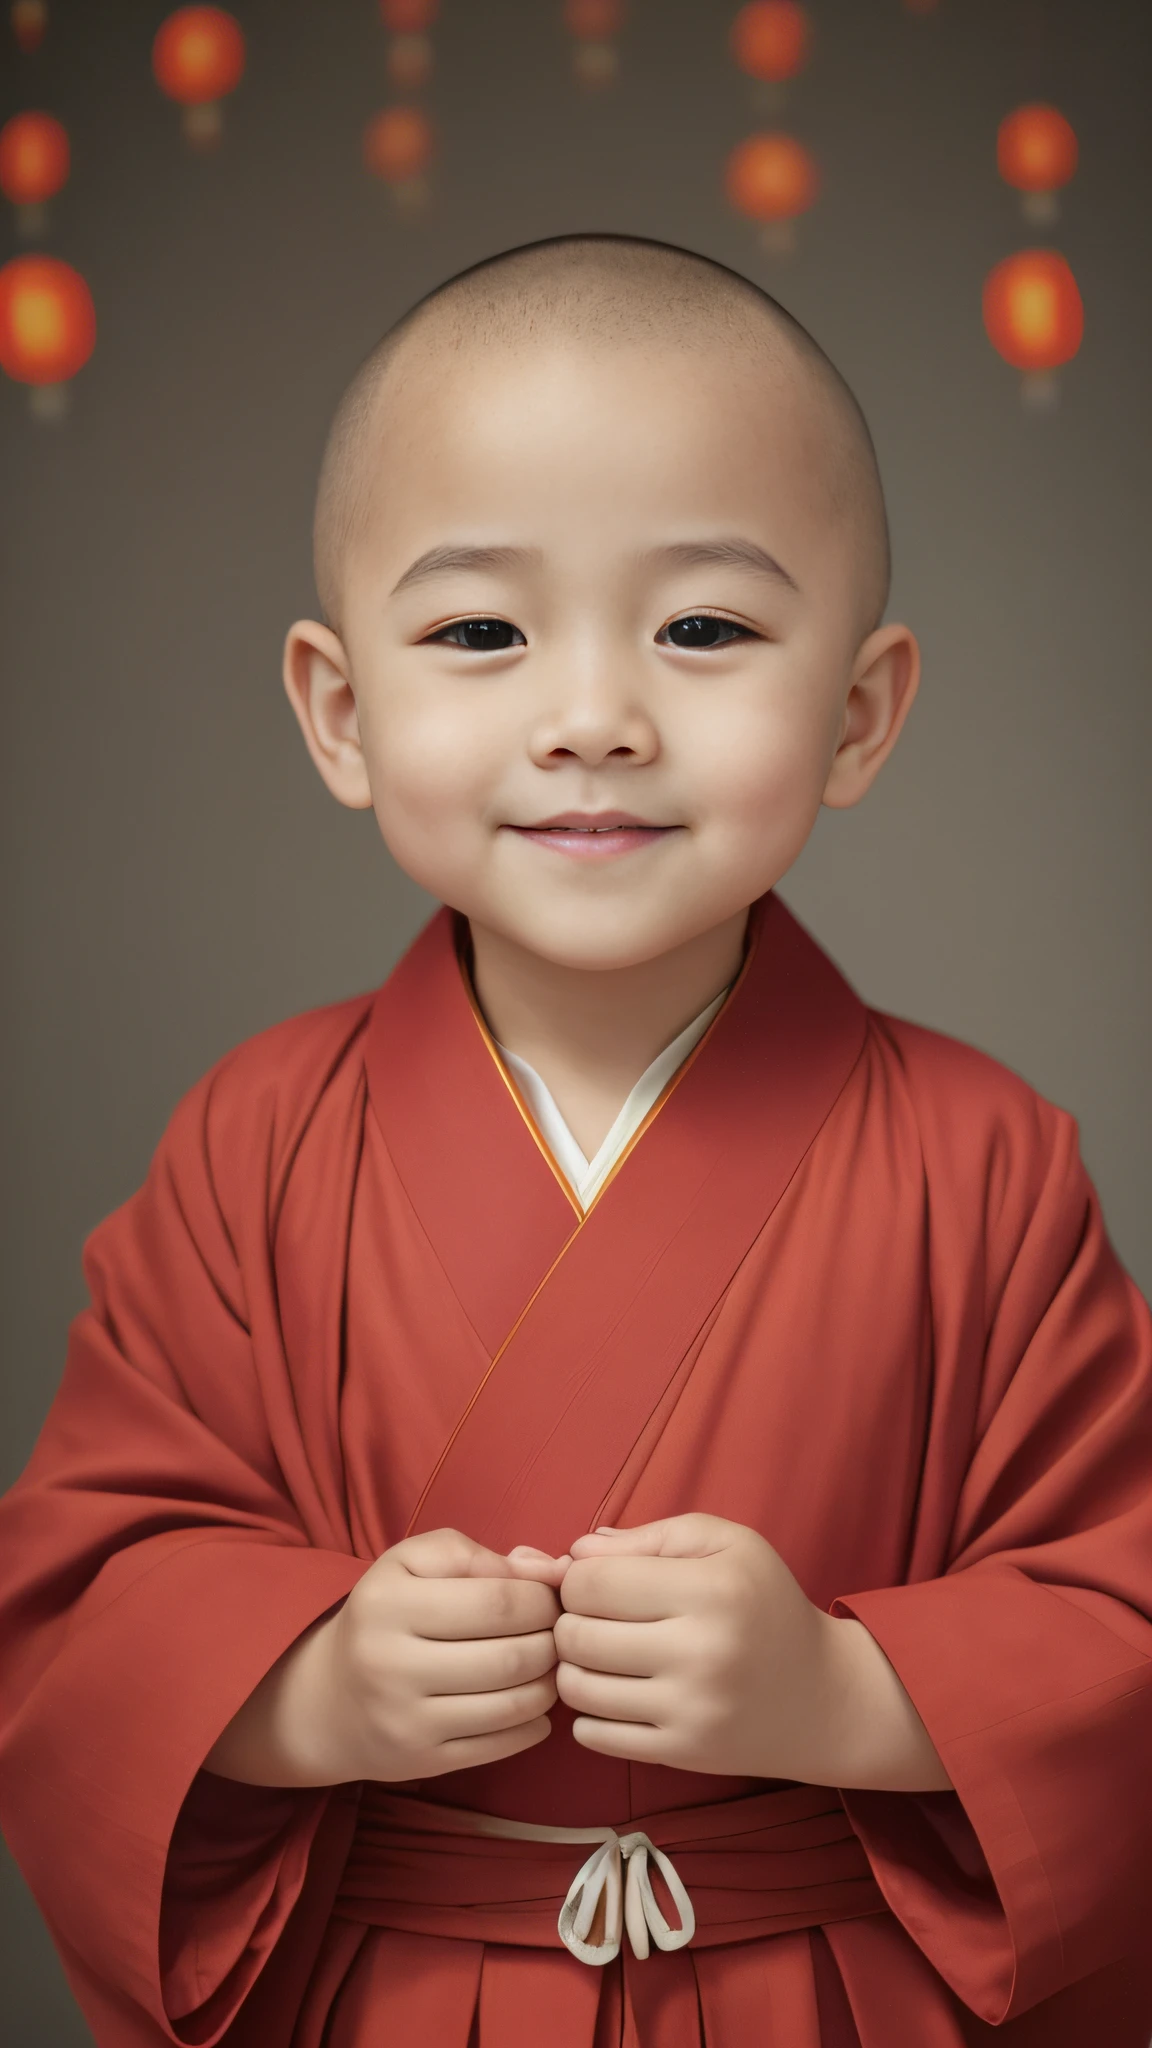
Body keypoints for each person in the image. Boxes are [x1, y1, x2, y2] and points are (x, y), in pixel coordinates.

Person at [1, 235, 1150, 2048]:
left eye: (704, 626)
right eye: (480, 631)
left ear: (857, 713)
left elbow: (1117, 1616)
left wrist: (849, 1694)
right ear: (342, 710)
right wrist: (308, 1687)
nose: (596, 716)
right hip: (386, 1991)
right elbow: (78, 1610)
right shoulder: (252, 1146)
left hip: (826, 1997)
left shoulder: (987, 1163)